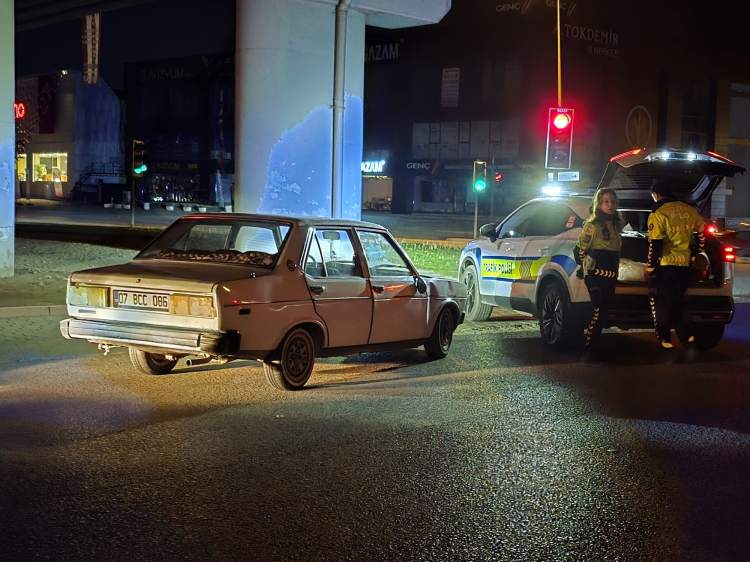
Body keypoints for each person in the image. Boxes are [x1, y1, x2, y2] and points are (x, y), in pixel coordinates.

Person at [645, 180, 705, 349]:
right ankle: (688, 334)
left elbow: (655, 244)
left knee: (664, 302)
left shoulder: (658, 213)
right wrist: (694, 254)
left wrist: (650, 267)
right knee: (680, 300)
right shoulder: (689, 210)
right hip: (684, 265)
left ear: (656, 194)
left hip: (666, 265)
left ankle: (665, 339)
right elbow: (701, 237)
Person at [575, 188, 624, 357]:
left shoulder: (616, 225)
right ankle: (591, 347)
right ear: (599, 204)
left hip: (611, 274)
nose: (610, 205)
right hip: (596, 274)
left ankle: (594, 345)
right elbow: (579, 251)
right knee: (599, 308)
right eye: (606, 202)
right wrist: (586, 268)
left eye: (612, 201)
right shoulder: (592, 225)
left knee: (604, 311)